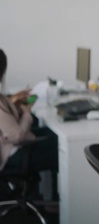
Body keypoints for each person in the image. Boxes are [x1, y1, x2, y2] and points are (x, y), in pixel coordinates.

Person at [0, 49, 58, 182]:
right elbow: (17, 136)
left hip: (8, 148)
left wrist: (14, 103)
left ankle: (50, 198)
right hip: (11, 155)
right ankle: (56, 198)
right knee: (61, 147)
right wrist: (26, 111)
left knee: (51, 134)